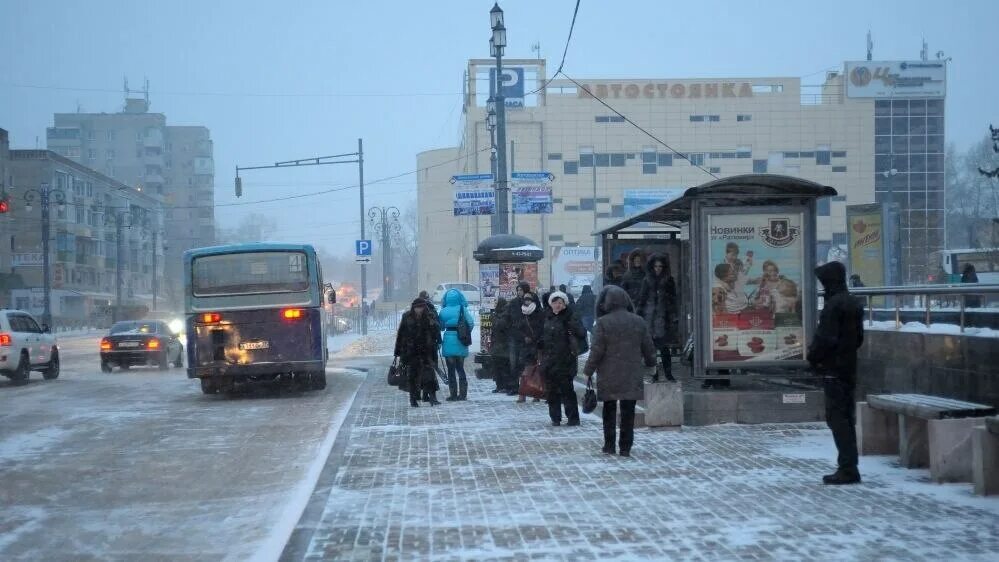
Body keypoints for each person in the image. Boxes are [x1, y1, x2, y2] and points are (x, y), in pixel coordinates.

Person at [807, 261, 864, 485]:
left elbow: (825, 338)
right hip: (849, 367)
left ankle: (848, 468)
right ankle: (850, 465)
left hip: (833, 369)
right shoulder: (853, 303)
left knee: (837, 418)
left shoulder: (833, 306)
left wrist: (814, 358)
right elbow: (858, 338)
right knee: (847, 417)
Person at [584, 285, 656, 456]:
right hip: (631, 373)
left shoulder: (602, 322)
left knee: (609, 410)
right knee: (628, 412)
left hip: (609, 374)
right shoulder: (638, 321)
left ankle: (609, 445)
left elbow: (597, 350)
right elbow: (648, 346)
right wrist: (652, 363)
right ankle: (625, 447)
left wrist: (588, 369)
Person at [541, 291, 586, 426]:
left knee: (567, 391)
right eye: (555, 302)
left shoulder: (571, 317)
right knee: (552, 392)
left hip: (566, 360)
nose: (558, 305)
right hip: (549, 361)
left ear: (565, 304)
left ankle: (573, 418)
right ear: (551, 304)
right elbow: (544, 336)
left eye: (560, 302)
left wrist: (572, 324)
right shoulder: (547, 317)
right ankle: (555, 418)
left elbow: (582, 333)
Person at [636, 254, 678, 382]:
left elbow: (673, 299)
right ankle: (654, 375)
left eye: (660, 266)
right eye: (656, 266)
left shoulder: (668, 280)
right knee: (651, 350)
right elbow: (642, 299)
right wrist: (639, 315)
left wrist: (672, 314)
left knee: (665, 349)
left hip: (664, 319)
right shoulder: (647, 280)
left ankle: (668, 374)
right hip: (650, 319)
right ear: (652, 267)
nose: (658, 269)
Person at [394, 298, 442, 407]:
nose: (419, 310)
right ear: (413, 307)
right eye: (417, 308)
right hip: (411, 351)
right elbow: (401, 334)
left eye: (421, 308)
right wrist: (397, 352)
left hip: (427, 350)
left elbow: (436, 332)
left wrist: (433, 325)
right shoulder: (407, 316)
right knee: (413, 375)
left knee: (429, 374)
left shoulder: (430, 316)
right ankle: (413, 399)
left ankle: (432, 397)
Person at [438, 288, 475, 401]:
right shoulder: (463, 309)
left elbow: (441, 327)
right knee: (460, 369)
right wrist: (464, 332)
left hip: (448, 341)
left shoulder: (443, 311)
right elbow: (471, 323)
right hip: (461, 340)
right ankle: (463, 394)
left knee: (451, 370)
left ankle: (453, 394)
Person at [513, 291, 545, 403]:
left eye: (529, 299)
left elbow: (542, 329)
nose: (527, 301)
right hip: (525, 346)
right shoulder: (522, 312)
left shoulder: (540, 313)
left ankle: (535, 393)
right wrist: (524, 337)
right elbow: (517, 329)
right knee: (526, 371)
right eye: (525, 299)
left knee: (536, 370)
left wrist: (535, 338)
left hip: (538, 346)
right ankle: (523, 394)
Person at [489, 298, 512, 393]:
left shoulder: (505, 314)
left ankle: (505, 385)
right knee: (496, 366)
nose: (494, 304)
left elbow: (499, 325)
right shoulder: (497, 314)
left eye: (496, 302)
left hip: (503, 344)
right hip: (496, 343)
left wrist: (493, 317)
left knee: (504, 366)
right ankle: (499, 385)